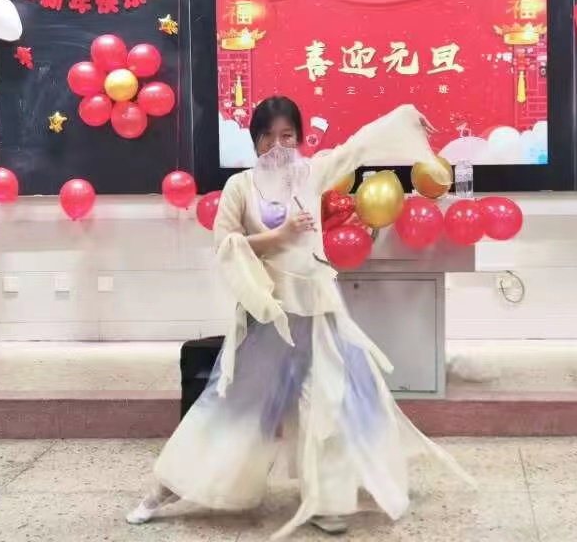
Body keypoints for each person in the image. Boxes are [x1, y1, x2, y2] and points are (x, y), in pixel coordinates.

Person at [127, 98, 474, 538]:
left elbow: (356, 148)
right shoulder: (240, 187)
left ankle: (327, 503)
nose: (278, 145)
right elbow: (226, 244)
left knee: (331, 405)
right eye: (268, 136)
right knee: (231, 404)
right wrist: (280, 235)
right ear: (255, 141)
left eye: (287, 136)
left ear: (299, 138)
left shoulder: (311, 173)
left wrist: (403, 116)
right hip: (273, 318)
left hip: (321, 314)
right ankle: (162, 491)